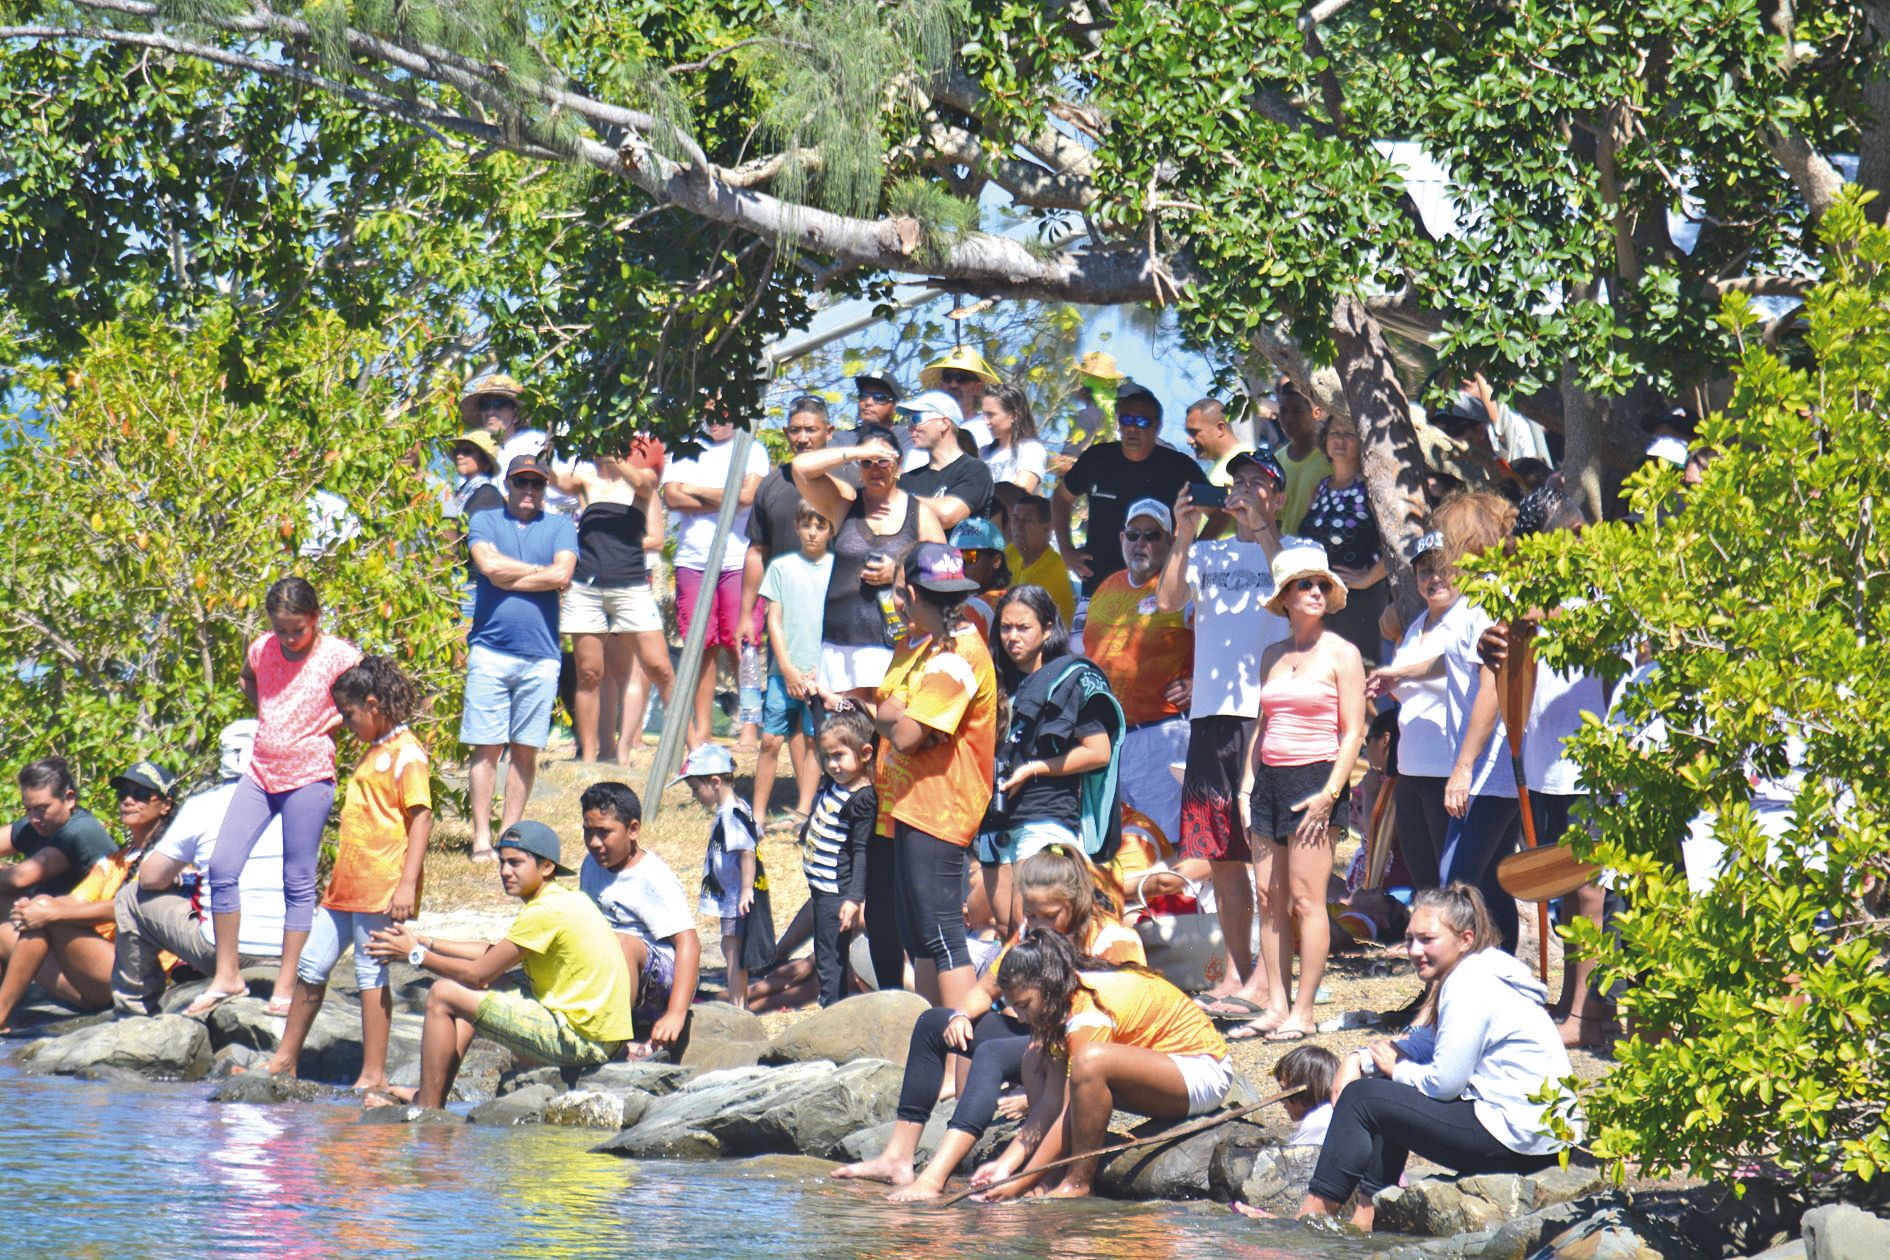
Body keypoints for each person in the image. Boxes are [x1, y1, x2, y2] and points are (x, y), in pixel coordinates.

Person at [833, 844, 1144, 1199]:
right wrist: (962, 1016)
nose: (1038, 925)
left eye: (1049, 916)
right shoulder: (1030, 931)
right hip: (1041, 1034)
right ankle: (897, 1158)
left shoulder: (1112, 940)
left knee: (992, 1053)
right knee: (934, 1023)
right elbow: (985, 989)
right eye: (1031, 915)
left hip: (1086, 1046)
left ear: (1076, 903)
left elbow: (1124, 1015)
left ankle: (935, 1177)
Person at [1297, 884, 1578, 1231]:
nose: (1415, 950)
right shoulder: (1479, 970)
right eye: (1410, 939)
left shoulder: (1468, 984)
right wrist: (1357, 1059)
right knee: (1386, 1095)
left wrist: (1397, 1070)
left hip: (1518, 1140)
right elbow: (1423, 1043)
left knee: (1362, 1098)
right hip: (1542, 1138)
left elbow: (1444, 1084)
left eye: (1427, 940)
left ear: (1465, 939)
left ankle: (1310, 1220)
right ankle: (1365, 1219)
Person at [250, 658, 430, 1093]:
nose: (346, 724)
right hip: (346, 886)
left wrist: (407, 885)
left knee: (371, 973)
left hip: (381, 885)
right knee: (312, 963)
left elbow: (422, 818)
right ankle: (285, 1060)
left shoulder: (407, 753)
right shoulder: (375, 750)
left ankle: (373, 1075)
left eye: (349, 715)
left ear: (373, 704)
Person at [364, 821, 635, 1107]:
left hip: (582, 1042)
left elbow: (477, 975)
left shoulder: (544, 911)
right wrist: (427, 942)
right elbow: (493, 954)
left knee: (443, 993)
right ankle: (431, 1095)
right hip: (601, 1037)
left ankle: (427, 1108)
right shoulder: (565, 899)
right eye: (502, 863)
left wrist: (415, 955)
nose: (505, 871)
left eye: (515, 863)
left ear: (547, 867)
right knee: (470, 990)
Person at [189, 577, 362, 1017]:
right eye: (281, 629)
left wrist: (337, 722)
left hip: (310, 776)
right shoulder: (262, 649)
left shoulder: (339, 655)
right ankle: (227, 975)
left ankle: (286, 985)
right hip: (262, 771)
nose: (288, 638)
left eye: (297, 630)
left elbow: (370, 694)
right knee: (222, 866)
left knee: (296, 880)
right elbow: (247, 679)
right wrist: (268, 708)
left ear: (315, 618)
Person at [1157, 451, 1289, 1017]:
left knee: (1267, 852)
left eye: (1259, 484)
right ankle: (1238, 970)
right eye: (1238, 482)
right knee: (1222, 853)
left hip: (1269, 713)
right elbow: (1167, 601)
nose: (1245, 491)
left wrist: (1261, 528)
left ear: (1278, 497)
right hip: (1211, 716)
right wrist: (1183, 534)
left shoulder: (1297, 550)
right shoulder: (1207, 553)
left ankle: (1270, 975)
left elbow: (1294, 590)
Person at [967, 930, 1232, 1200]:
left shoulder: (1088, 1011)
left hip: (1202, 1071)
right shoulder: (1059, 1003)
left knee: (1089, 1061)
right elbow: (1051, 1102)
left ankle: (1078, 1182)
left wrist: (1019, 1183)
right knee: (1035, 1055)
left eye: (1024, 1005)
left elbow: (1069, 1111)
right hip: (1161, 1073)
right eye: (1014, 1007)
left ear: (1048, 984)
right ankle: (1051, 1176)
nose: (1021, 1018)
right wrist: (1005, 1167)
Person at [1232, 540, 1366, 1045]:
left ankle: (1304, 1011)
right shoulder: (1272, 654)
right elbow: (1263, 725)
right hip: (1269, 781)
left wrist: (1330, 793)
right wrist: (1246, 787)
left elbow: (1353, 732)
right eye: (1304, 584)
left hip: (1317, 779)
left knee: (1308, 900)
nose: (1315, 592)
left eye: (1321, 584)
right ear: (1285, 597)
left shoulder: (1343, 653)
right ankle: (1276, 1005)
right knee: (1269, 897)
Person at [873, 543, 999, 1011]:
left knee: (943, 934)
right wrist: (895, 715)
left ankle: (959, 1044)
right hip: (913, 804)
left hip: (942, 809)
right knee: (920, 936)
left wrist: (892, 715)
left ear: (912, 594)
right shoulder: (932, 646)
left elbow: (905, 734)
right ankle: (932, 1036)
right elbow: (892, 717)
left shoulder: (957, 655)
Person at [111, 722, 286, 1014]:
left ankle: (134, 1012)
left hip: (226, 950)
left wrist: (179, 880)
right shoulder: (296, 803)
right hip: (293, 948)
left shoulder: (203, 805)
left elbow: (150, 879)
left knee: (130, 897)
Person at [459, 455, 578, 863]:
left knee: (525, 748)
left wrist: (509, 575)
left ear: (545, 488)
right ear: (507, 484)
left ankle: (510, 836)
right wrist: (537, 573)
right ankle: (480, 838)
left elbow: (562, 575)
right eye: (521, 482)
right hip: (489, 650)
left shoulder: (561, 526)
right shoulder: (486, 519)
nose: (529, 490)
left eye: (537, 484)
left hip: (541, 655)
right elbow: (487, 566)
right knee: (486, 747)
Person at [0, 760, 177, 1033]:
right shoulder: (117, 860)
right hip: (94, 974)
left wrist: (51, 912)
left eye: (141, 795)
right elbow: (77, 899)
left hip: (141, 975)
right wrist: (36, 907)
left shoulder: (173, 858)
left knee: (48, 916)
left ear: (166, 805)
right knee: (36, 913)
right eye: (123, 794)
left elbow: (130, 908)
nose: (129, 801)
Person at [985, 586, 1118, 937]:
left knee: (1031, 930)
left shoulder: (1069, 679)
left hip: (1045, 815)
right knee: (1006, 930)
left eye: (1023, 627)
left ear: (1047, 629)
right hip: (996, 818)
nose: (1012, 637)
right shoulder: (993, 680)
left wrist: (1035, 769)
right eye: (1005, 627)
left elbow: (1098, 751)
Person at [793, 425, 946, 703]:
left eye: (883, 461)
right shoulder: (844, 505)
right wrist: (857, 452)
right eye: (867, 463)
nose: (875, 469)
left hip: (896, 641)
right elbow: (801, 468)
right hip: (841, 642)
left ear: (899, 464)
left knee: (886, 723)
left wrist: (898, 571)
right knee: (843, 724)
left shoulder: (920, 514)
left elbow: (944, 570)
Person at [1079, 499, 1193, 844]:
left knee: (1160, 840)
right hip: (1104, 738)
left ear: (1169, 542)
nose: (1140, 543)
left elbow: (1223, 646)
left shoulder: (1183, 590)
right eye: (1133, 535)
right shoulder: (1107, 585)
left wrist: (1199, 682)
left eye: (1151, 535)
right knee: (1106, 842)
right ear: (1121, 539)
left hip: (1158, 735)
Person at [554, 440, 675, 764]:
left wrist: (617, 542)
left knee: (637, 670)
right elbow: (557, 480)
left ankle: (628, 748)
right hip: (593, 583)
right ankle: (599, 751)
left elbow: (657, 537)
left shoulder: (643, 484)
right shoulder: (587, 482)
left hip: (632, 579)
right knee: (595, 671)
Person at [661, 398, 772, 748]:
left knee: (743, 645)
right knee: (700, 646)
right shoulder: (684, 448)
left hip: (739, 560)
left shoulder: (752, 449)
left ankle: (750, 726)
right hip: (693, 560)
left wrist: (694, 490)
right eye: (707, 413)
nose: (715, 421)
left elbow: (748, 496)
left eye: (723, 413)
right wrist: (728, 496)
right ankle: (704, 731)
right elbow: (672, 497)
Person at [1368, 531, 1470, 890]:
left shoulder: (1470, 617)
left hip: (1449, 772)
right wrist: (1387, 685)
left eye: (1443, 568)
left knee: (1456, 884)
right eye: (1425, 570)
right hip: (1410, 770)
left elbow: (1451, 661)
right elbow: (1408, 688)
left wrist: (1400, 673)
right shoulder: (1416, 626)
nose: (1434, 578)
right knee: (1425, 884)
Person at [577, 782, 700, 1052]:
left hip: (659, 983)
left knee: (623, 943)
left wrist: (676, 1013)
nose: (594, 842)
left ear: (632, 829)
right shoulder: (591, 864)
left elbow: (689, 942)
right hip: (611, 972)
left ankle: (614, 1038)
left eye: (604, 833)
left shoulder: (652, 877)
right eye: (588, 831)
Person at [1055, 383, 1201, 594]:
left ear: (1157, 426)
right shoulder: (1097, 458)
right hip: (1098, 585)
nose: (1132, 428)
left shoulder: (1177, 466)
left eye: (1142, 422)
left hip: (1155, 589)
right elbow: (1061, 498)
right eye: (1126, 420)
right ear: (1118, 423)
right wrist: (1066, 550)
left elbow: (1218, 512)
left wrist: (1192, 552)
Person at [754, 500, 834, 832]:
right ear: (796, 527)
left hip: (820, 674)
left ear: (831, 530)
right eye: (806, 525)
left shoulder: (837, 568)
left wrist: (821, 668)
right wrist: (786, 668)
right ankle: (757, 816)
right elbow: (774, 620)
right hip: (782, 673)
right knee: (771, 740)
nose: (812, 533)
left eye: (820, 526)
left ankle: (803, 813)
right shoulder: (781, 567)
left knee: (815, 742)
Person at [798, 709, 878, 1009]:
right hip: (820, 889)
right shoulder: (836, 782)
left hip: (837, 893)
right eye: (827, 757)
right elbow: (822, 722)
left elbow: (863, 853)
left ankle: (832, 1009)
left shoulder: (862, 799)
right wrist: (815, 698)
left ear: (865, 753)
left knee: (831, 959)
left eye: (839, 756)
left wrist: (854, 898)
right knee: (825, 953)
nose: (832, 764)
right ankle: (831, 1005)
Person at [1296, 414, 1388, 666]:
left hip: (1360, 599)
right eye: (1334, 433)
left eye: (1349, 434)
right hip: (1319, 597)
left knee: (1358, 670)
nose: (1340, 439)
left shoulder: (1373, 488)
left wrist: (1369, 577)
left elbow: (1398, 544)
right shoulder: (1320, 488)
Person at [676, 743, 760, 1004]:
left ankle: (738, 1005)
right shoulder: (735, 808)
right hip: (731, 895)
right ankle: (738, 1002)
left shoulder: (731, 814)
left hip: (736, 898)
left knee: (734, 953)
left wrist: (746, 889)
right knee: (729, 947)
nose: (694, 796)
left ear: (714, 782)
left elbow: (747, 851)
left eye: (695, 788)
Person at [0, 758, 117, 904]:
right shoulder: (38, 822)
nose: (34, 818)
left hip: (93, 915)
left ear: (69, 799)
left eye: (42, 808)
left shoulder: (80, 830)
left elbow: (21, 878)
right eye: (28, 809)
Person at [460, 372, 578, 514]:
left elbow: (575, 491)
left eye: (499, 404)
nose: (491, 411)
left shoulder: (536, 443)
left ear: (515, 413)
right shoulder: (473, 453)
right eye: (485, 405)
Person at [897, 390, 996, 529]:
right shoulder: (907, 480)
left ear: (944, 423)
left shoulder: (976, 470)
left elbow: (947, 516)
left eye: (916, 419)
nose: (909, 428)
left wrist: (896, 500)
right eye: (908, 421)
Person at [444, 430, 505, 619]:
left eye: (467, 451)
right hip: (459, 581)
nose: (460, 456)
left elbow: (474, 539)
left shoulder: (487, 495)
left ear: (484, 461)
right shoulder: (463, 492)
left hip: (473, 585)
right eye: (458, 451)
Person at [1003, 495, 1077, 627]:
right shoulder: (1012, 552)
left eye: (1028, 520)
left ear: (1047, 528)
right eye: (1015, 519)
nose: (1018, 526)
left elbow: (1018, 614)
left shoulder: (1052, 568)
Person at [1272, 382, 1332, 534]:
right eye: (1283, 411)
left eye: (1297, 411)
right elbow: (1274, 518)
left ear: (1316, 413)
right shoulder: (1276, 461)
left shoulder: (1331, 459)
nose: (1288, 419)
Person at [918, 346, 1001, 450]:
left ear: (977, 388)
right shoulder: (925, 430)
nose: (953, 384)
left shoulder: (990, 428)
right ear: (941, 385)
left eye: (962, 378)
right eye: (948, 377)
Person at [950, 516, 1012, 639]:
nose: (960, 563)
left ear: (996, 561)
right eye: (955, 555)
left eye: (969, 555)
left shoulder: (977, 606)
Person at [980, 384, 1049, 494]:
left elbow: (1020, 492)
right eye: (984, 414)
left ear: (1013, 415)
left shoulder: (1031, 450)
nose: (986, 421)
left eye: (991, 415)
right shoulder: (984, 453)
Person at [1277, 1044, 1339, 1146]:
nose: (1281, 1100)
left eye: (1285, 1090)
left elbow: (1294, 1154)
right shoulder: (1332, 1112)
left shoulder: (1318, 1122)